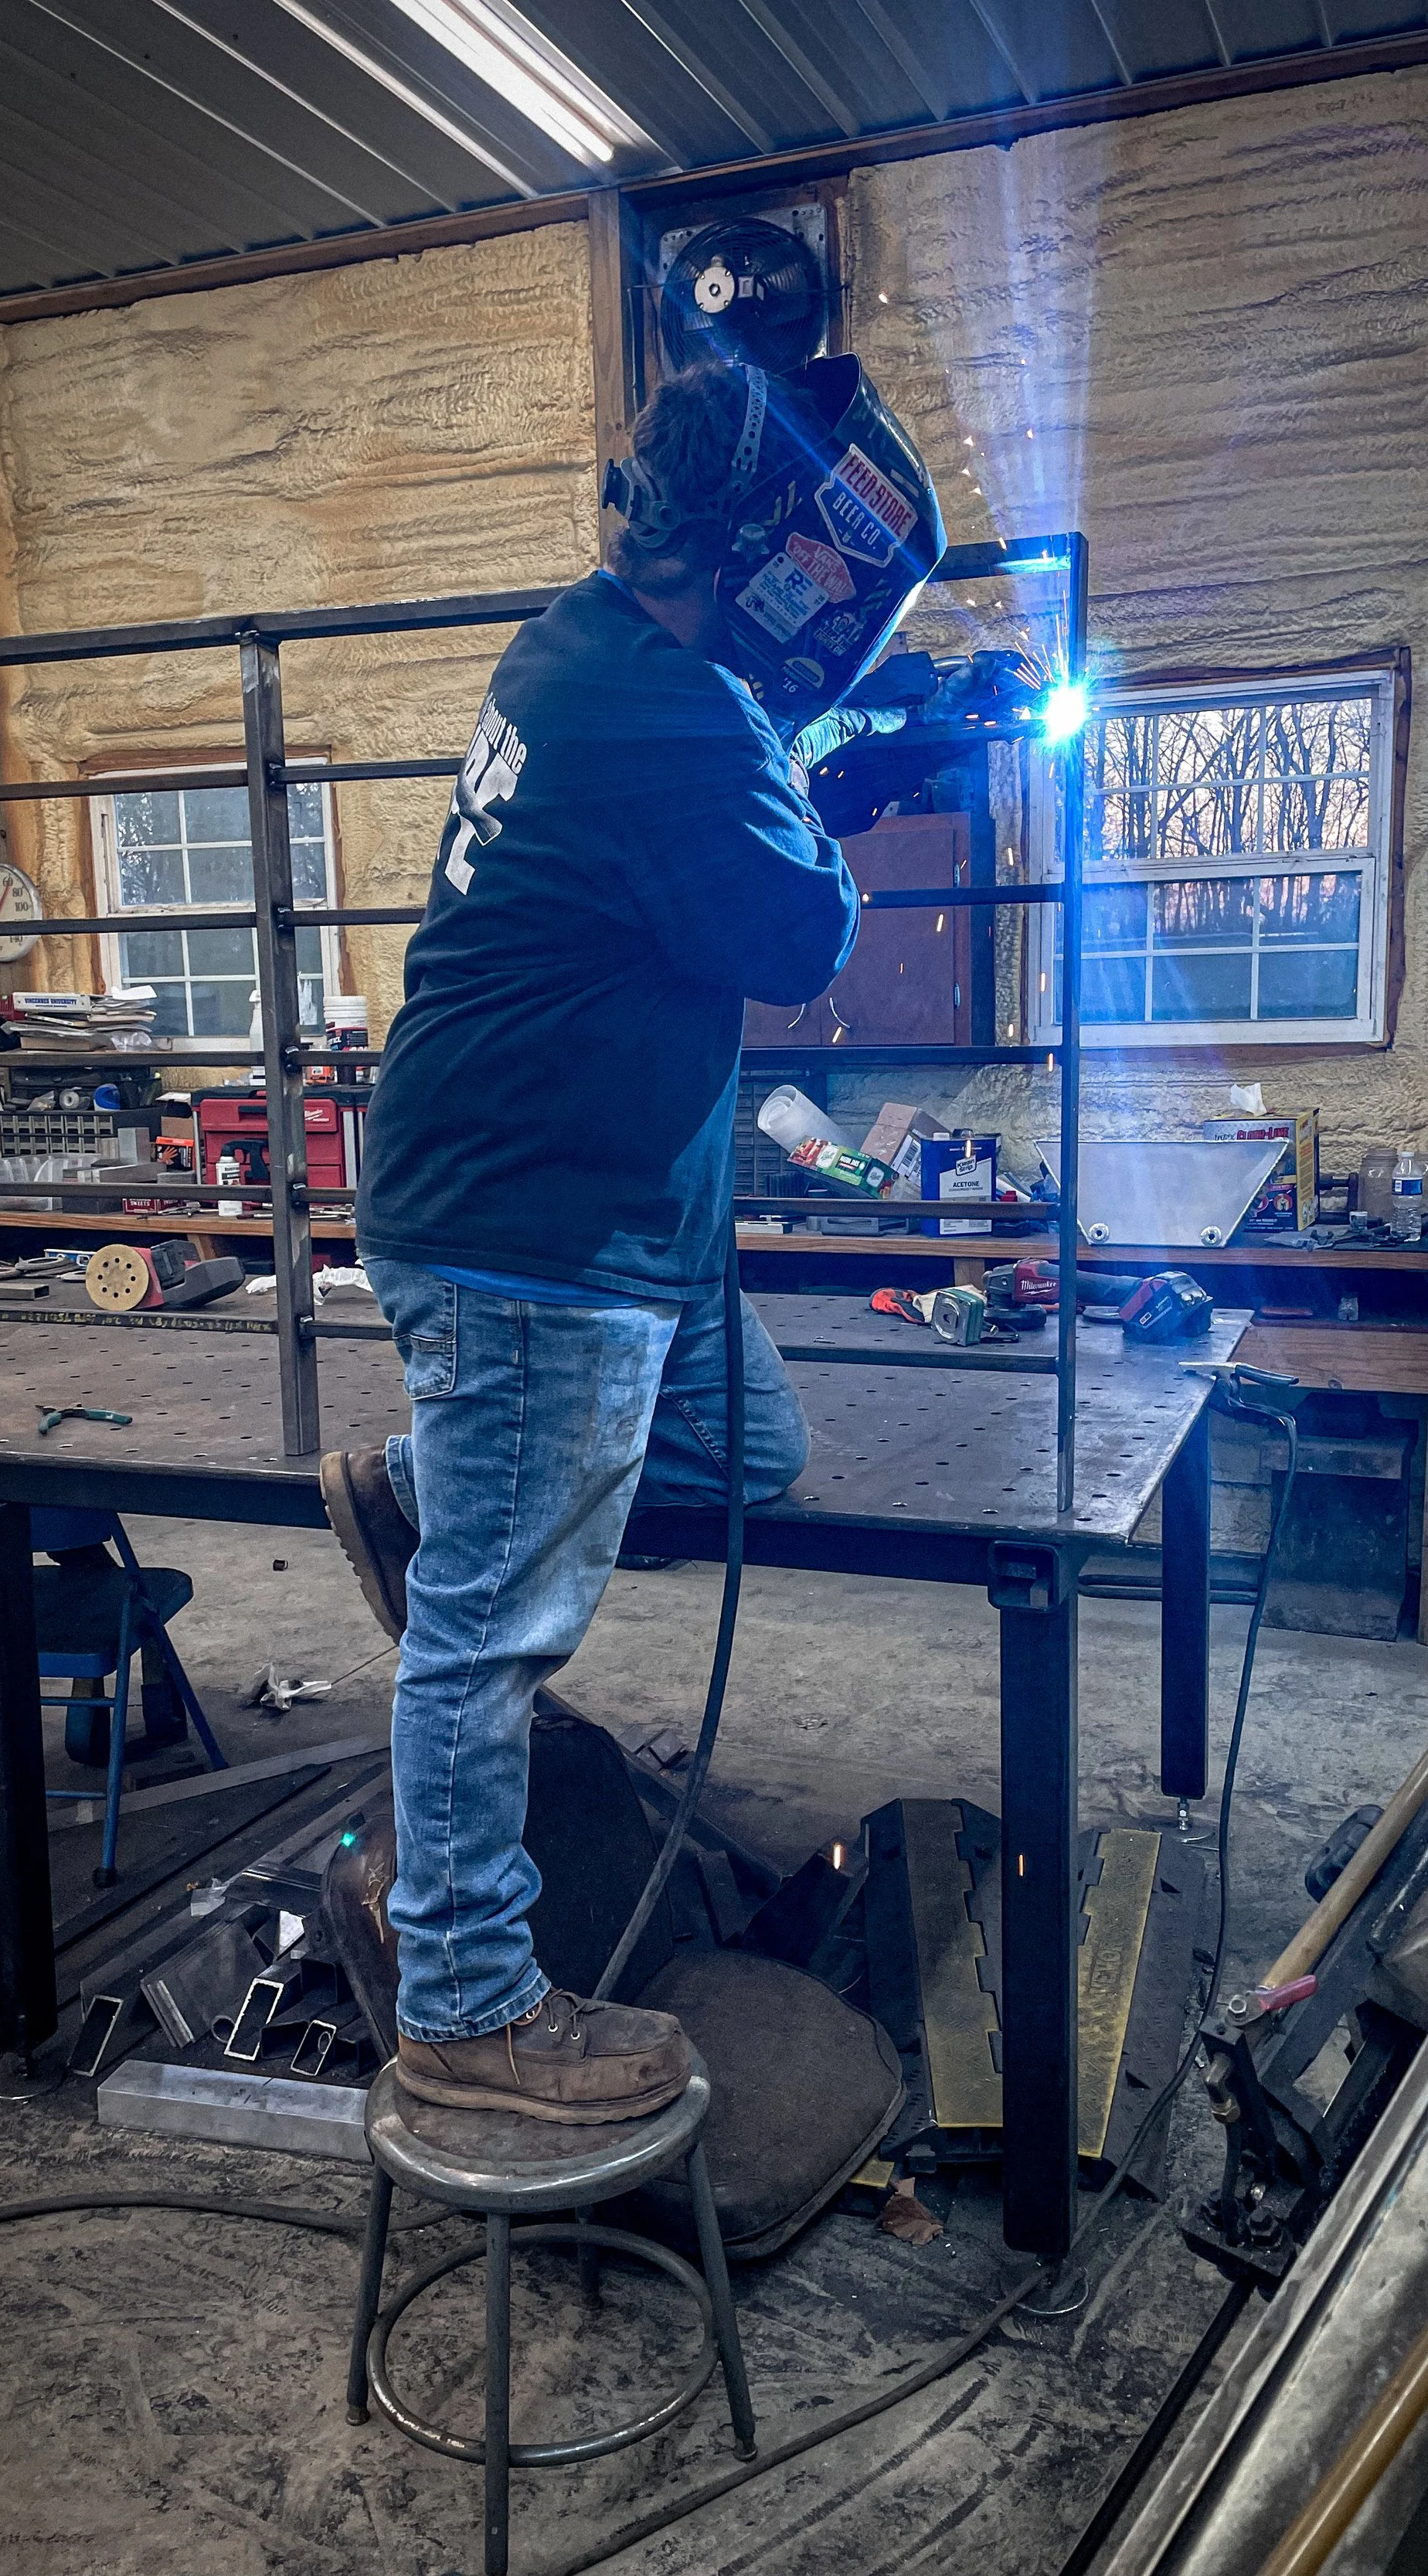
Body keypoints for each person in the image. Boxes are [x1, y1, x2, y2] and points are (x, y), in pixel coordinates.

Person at [319, 363, 870, 2125]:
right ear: (756, 564)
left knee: (748, 1452)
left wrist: (819, 745)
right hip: (538, 1229)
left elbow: (697, 843)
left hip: (600, 1211)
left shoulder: (578, 640)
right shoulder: (685, 721)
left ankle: (429, 1483)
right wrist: (829, 782)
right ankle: (470, 2003)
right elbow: (793, 935)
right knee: (488, 1634)